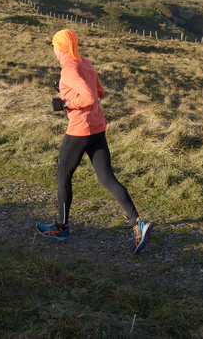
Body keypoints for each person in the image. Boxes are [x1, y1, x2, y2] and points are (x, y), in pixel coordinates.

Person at [36, 29, 152, 254]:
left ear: (59, 48)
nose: (53, 50)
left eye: (53, 46)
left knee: (62, 175)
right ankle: (137, 224)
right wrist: (66, 90)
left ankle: (61, 228)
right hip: (98, 127)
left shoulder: (68, 68)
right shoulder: (85, 62)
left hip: (81, 129)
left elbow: (89, 96)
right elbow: (100, 91)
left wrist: (65, 104)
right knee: (107, 177)